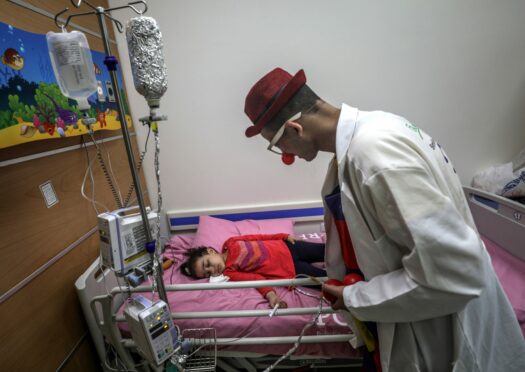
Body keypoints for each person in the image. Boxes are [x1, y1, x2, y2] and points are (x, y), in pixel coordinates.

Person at [242, 67, 525, 372]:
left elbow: (452, 272)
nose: (287, 155)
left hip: (444, 334)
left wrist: (355, 296)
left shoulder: (374, 156)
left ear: (295, 129)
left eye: (278, 146)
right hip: (406, 318)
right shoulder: (374, 132)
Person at [180, 233, 326, 308]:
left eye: (208, 264)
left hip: (288, 247)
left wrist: (283, 236)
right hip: (291, 269)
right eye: (208, 273)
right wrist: (271, 296)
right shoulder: (229, 272)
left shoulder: (231, 242)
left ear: (211, 251)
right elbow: (255, 279)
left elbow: (258, 237)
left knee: (328, 251)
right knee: (326, 280)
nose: (213, 270)